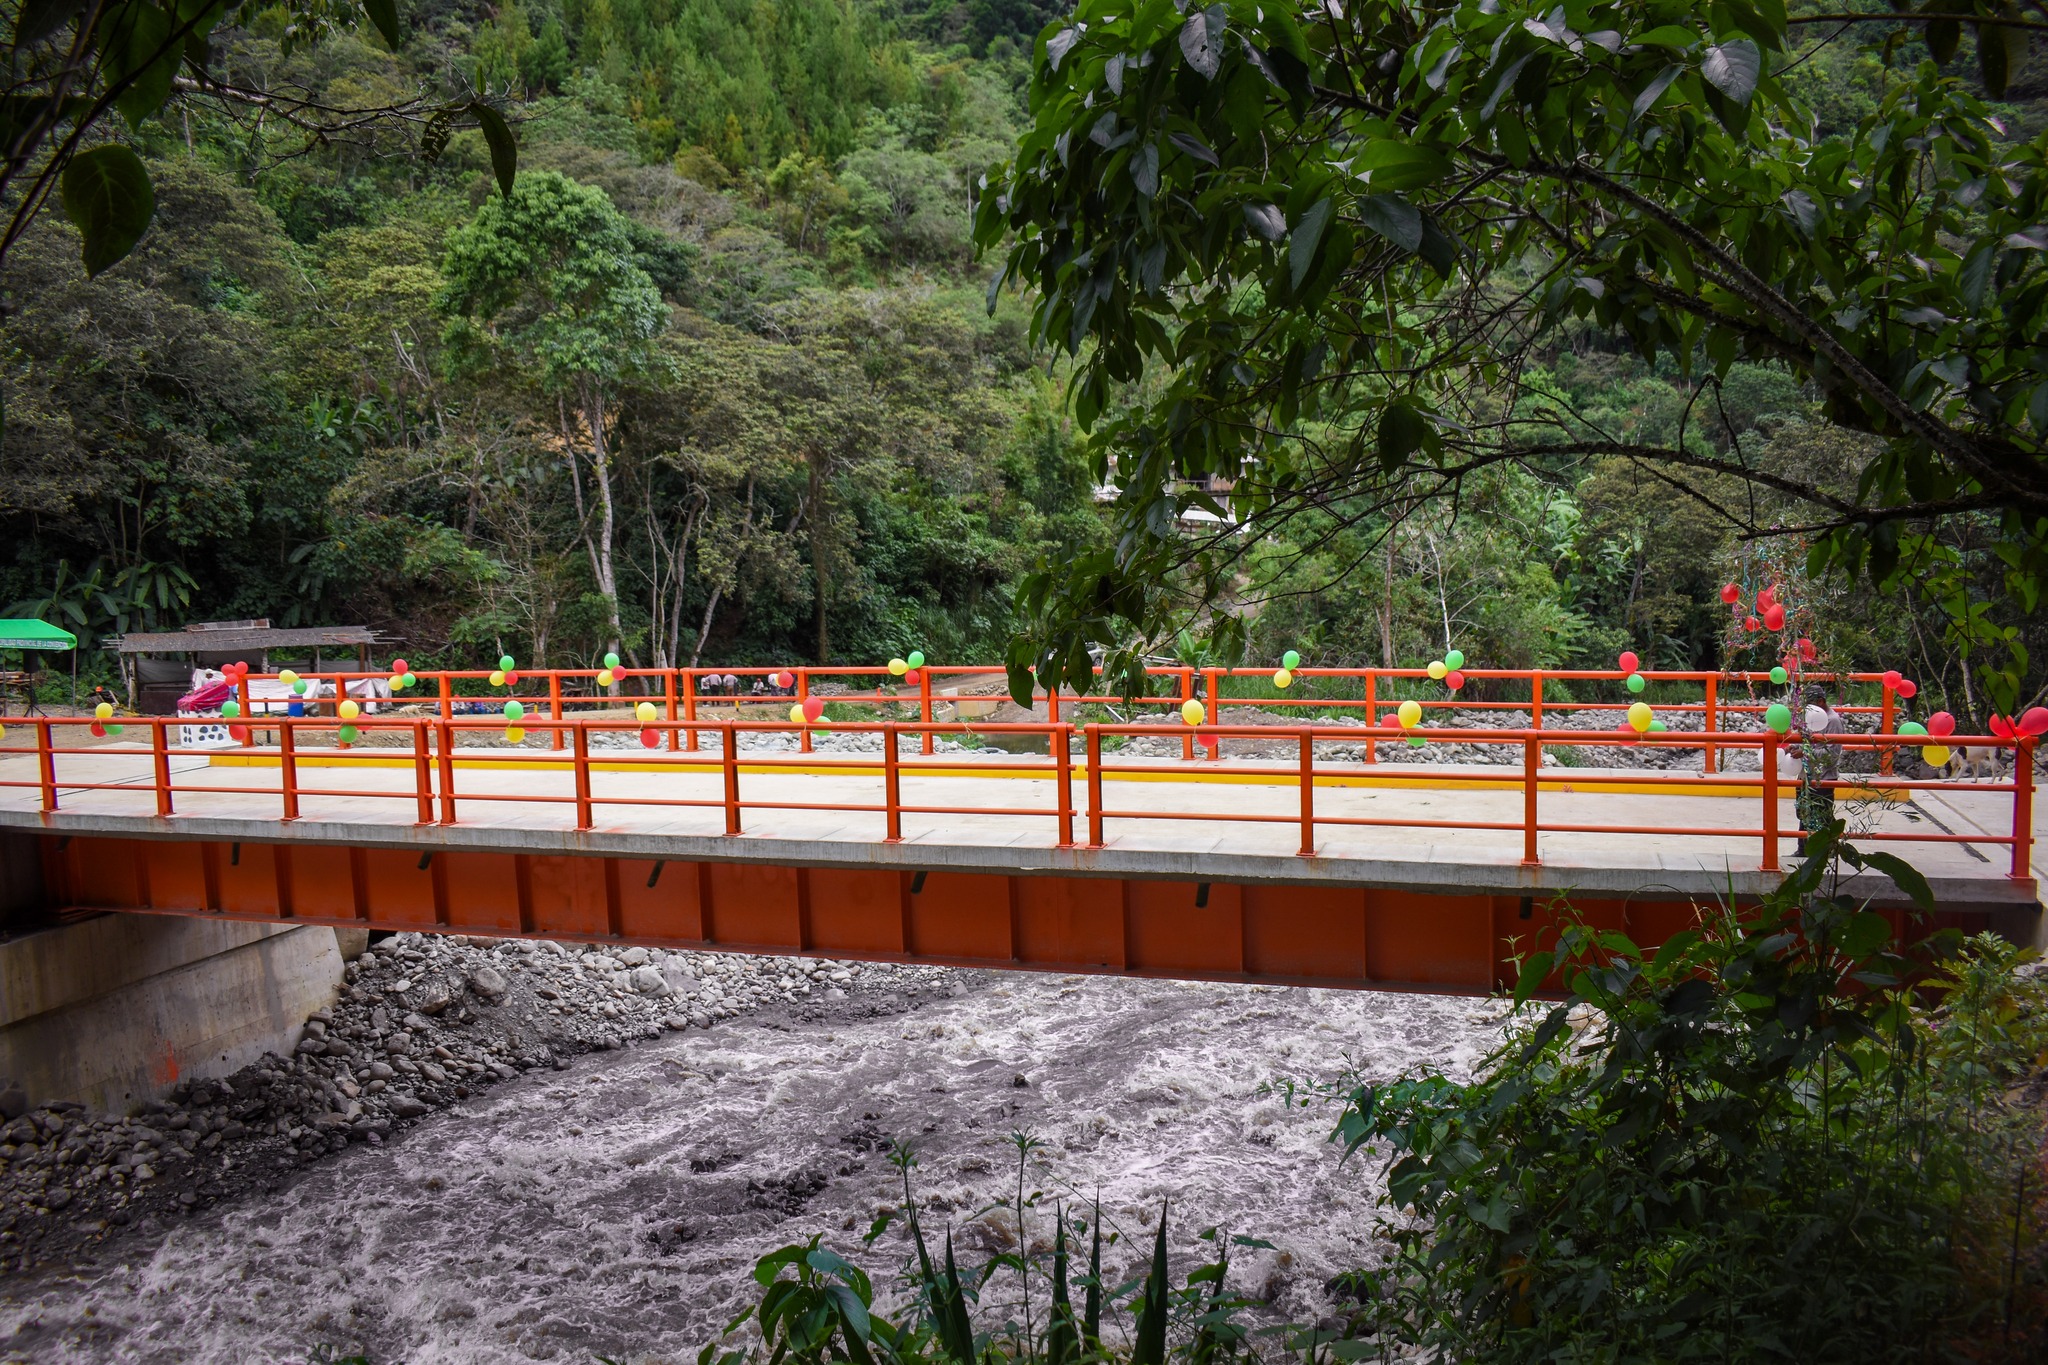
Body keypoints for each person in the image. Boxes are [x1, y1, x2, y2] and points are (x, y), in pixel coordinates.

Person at [1794, 685, 1842, 852]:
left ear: (1821, 702)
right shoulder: (1811, 717)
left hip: (1823, 776)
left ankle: (1828, 848)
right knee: (1804, 812)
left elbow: (1832, 753)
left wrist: (1806, 753)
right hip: (1806, 773)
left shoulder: (1833, 721)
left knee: (1822, 814)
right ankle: (1803, 848)